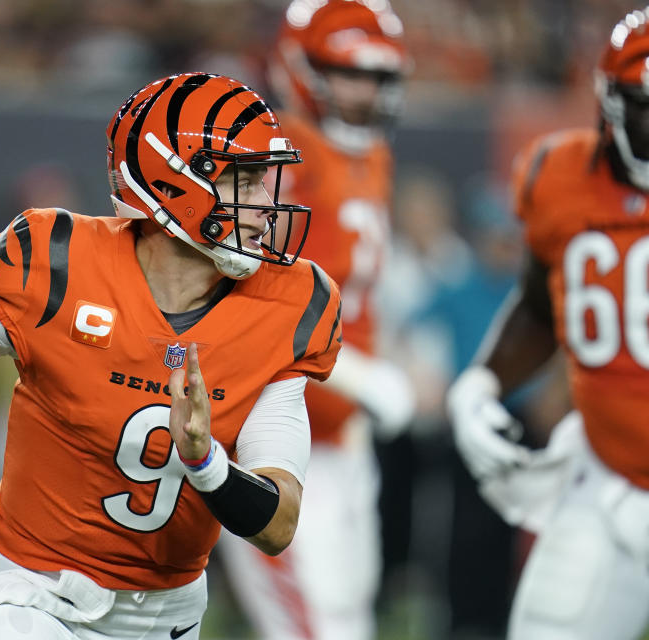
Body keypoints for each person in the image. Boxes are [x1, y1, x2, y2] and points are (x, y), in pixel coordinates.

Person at [0, 72, 343, 640]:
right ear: (178, 182)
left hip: (165, 618)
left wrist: (205, 462)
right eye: (246, 181)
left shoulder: (289, 304)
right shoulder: (58, 269)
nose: (267, 203)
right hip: (30, 595)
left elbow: (279, 523)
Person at [447, 9, 649, 639]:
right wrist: (480, 383)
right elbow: (541, 304)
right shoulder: (557, 176)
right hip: (606, 476)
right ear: (611, 102)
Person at [215, 2, 414, 639]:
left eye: (380, 79)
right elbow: (251, 304)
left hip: (341, 438)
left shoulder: (370, 157)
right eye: (350, 73)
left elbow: (349, 298)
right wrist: (361, 378)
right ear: (302, 68)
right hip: (277, 436)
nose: (366, 93)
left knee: (349, 619)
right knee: (314, 629)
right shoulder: (281, 158)